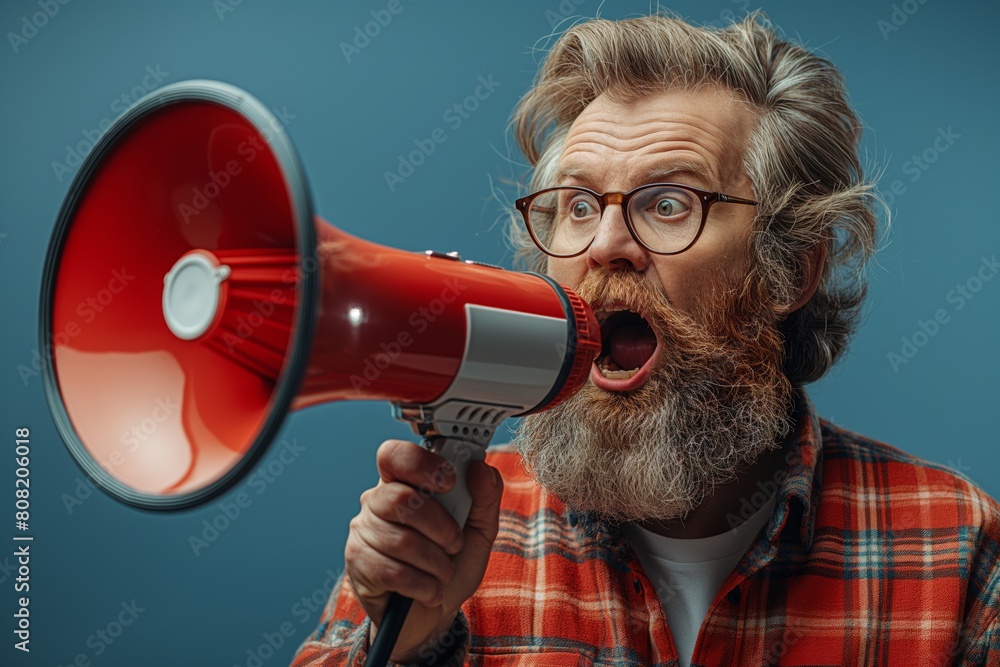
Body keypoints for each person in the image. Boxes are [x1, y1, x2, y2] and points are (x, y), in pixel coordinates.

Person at [291, 12, 1000, 666]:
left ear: (791, 267)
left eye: (669, 203)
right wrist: (410, 647)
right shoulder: (442, 537)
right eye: (576, 205)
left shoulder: (954, 546)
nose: (605, 245)